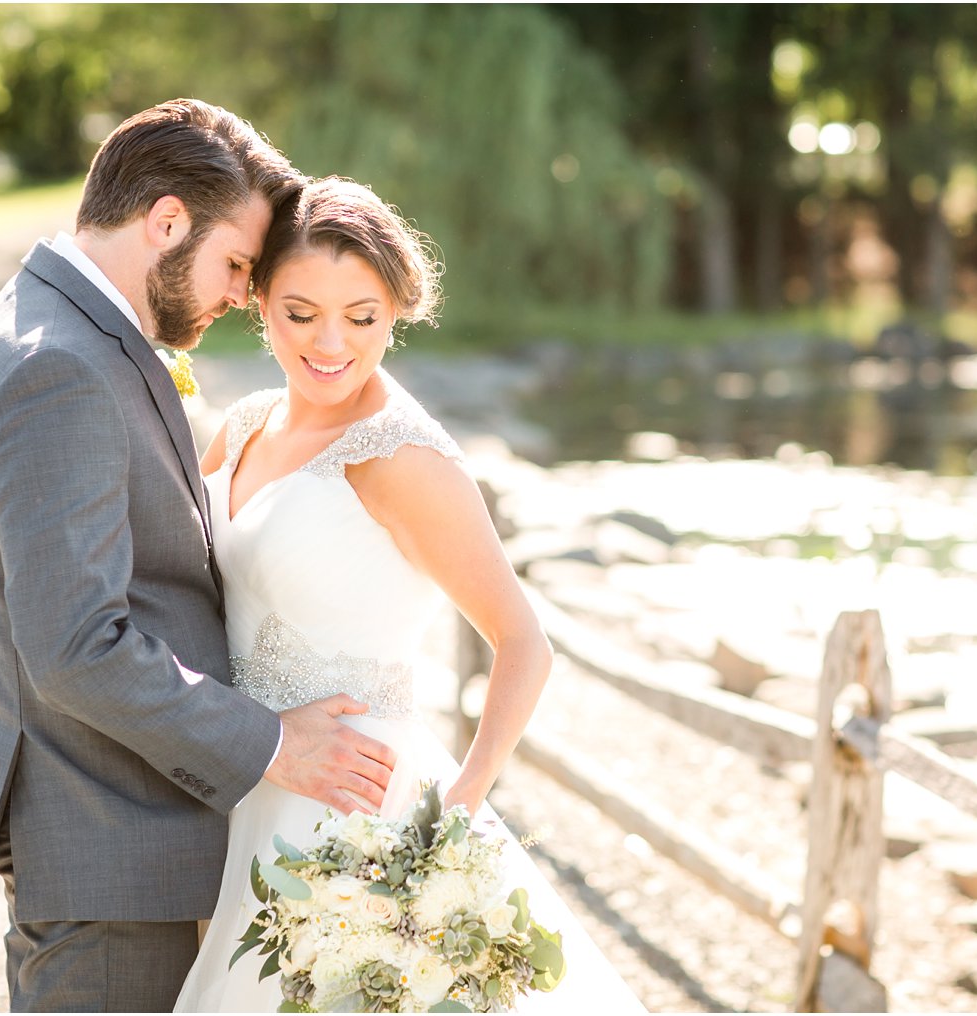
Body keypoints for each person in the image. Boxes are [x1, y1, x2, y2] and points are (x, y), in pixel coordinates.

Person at [0, 99, 400, 1012]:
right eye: (236, 262)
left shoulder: (49, 325)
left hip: (111, 835)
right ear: (166, 220)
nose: (238, 293)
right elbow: (75, 645)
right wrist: (272, 744)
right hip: (108, 848)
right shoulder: (57, 367)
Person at [173, 177, 642, 1012]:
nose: (330, 344)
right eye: (300, 312)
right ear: (260, 303)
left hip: (358, 817)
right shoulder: (243, 426)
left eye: (362, 316)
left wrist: (456, 812)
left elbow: (525, 642)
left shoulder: (406, 458)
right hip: (241, 777)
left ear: (398, 311)